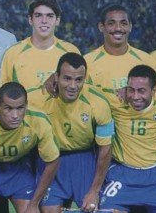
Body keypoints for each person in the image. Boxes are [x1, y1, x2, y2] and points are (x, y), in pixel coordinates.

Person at [27, 53, 114, 213]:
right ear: (56, 77)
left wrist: (94, 191)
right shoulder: (37, 97)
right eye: (67, 78)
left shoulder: (98, 102)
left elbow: (106, 148)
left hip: (85, 162)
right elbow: (10, 98)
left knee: (91, 208)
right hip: (50, 161)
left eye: (78, 79)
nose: (73, 86)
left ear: (84, 78)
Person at [98, 64, 156, 213]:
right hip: (122, 175)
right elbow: (88, 90)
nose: (135, 97)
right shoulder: (116, 99)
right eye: (131, 90)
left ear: (154, 90)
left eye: (141, 91)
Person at [0, 82, 60, 213]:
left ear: (26, 105)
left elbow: (53, 162)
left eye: (20, 108)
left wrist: (34, 204)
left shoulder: (39, 120)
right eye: (8, 108)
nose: (15, 115)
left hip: (19, 170)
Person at [0, 0, 80, 89]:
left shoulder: (71, 52)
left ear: (57, 20)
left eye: (49, 16)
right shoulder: (13, 53)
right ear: (30, 20)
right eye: (38, 15)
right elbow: (4, 94)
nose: (44, 21)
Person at [83, 4, 154, 90]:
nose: (118, 28)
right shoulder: (87, 63)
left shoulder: (146, 60)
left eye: (123, 23)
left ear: (130, 27)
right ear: (101, 27)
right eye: (111, 23)